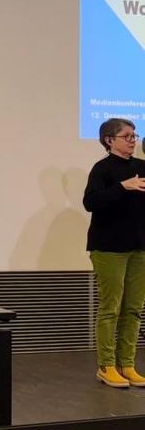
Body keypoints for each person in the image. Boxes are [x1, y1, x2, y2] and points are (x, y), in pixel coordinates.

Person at [83, 118, 145, 388]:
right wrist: (122, 187)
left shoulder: (142, 167)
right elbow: (90, 202)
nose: (133, 140)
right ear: (110, 140)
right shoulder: (102, 169)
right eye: (127, 136)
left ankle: (127, 364)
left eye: (134, 135)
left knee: (133, 308)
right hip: (108, 247)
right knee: (111, 307)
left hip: (139, 246)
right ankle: (106, 366)